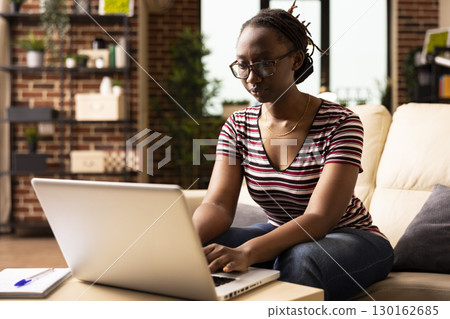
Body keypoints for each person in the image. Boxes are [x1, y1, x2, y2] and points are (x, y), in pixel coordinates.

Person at [192, 1, 393, 301]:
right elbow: (218, 205)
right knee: (206, 249)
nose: (251, 77)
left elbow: (320, 217)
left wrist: (248, 251)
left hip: (350, 237)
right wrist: (184, 242)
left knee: (301, 259)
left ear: (296, 60)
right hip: (281, 232)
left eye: (264, 63)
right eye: (243, 65)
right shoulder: (238, 125)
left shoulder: (341, 123)